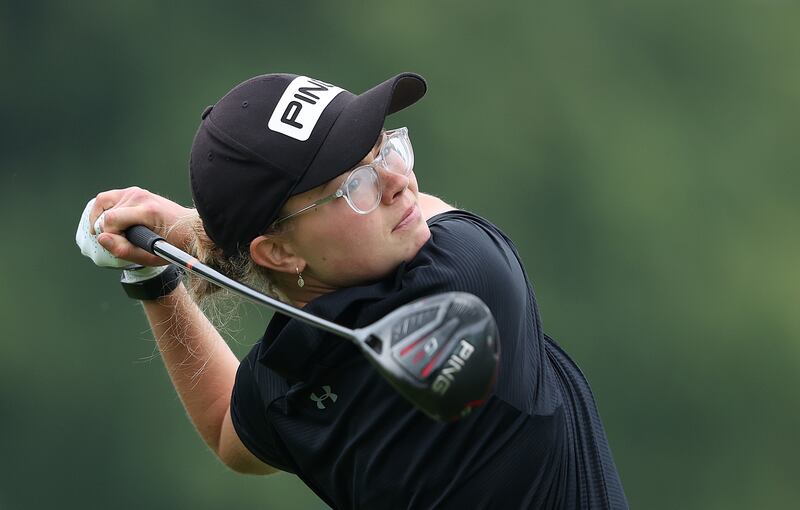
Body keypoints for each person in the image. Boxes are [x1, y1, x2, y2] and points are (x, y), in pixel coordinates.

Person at [79, 72, 629, 509]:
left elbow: (230, 431)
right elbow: (428, 212)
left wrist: (154, 277)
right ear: (279, 254)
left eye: (384, 148)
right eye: (354, 183)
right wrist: (187, 227)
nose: (397, 180)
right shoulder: (469, 284)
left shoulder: (286, 382)